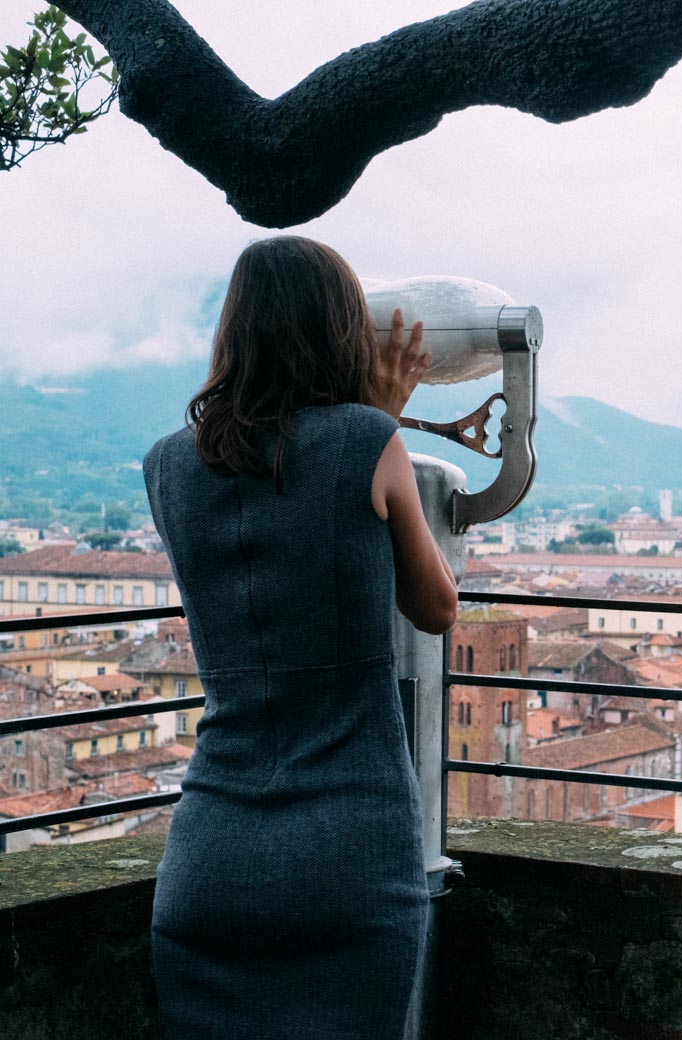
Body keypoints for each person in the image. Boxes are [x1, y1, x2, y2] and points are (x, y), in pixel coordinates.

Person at [142, 235, 459, 1038]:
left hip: (208, 857)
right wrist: (378, 423)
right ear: (341, 331)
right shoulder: (366, 439)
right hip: (349, 851)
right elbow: (436, 608)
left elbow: (274, 528)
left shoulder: (166, 466)